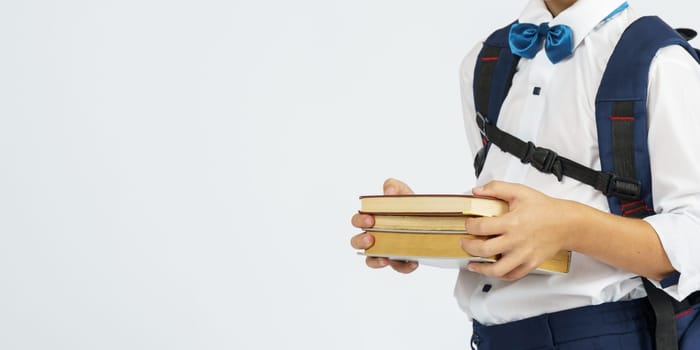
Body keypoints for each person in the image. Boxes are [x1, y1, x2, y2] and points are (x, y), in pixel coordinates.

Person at [351, 0, 700, 349]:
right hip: (491, 337)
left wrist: (570, 226)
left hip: (608, 334)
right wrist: (424, 229)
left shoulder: (661, 62)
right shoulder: (484, 62)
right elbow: (512, 213)